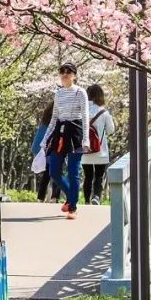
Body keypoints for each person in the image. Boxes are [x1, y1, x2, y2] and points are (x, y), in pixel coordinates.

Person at [44, 63, 90, 218]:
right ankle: (71, 197)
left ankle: (72, 207)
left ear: (74, 75)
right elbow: (54, 117)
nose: (65, 74)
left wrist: (86, 139)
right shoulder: (59, 93)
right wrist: (45, 138)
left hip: (76, 132)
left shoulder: (80, 92)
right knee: (54, 171)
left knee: (73, 172)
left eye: (68, 72)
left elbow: (85, 116)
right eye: (62, 71)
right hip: (60, 132)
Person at [82, 84, 115, 205]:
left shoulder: (81, 111)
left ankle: (86, 200)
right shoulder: (104, 112)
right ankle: (96, 196)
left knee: (88, 176)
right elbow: (111, 130)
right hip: (100, 150)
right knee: (99, 176)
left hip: (85, 150)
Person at [31, 103, 58, 204]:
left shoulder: (44, 122)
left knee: (46, 176)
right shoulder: (57, 122)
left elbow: (38, 139)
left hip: (45, 153)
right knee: (57, 174)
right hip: (54, 151)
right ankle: (54, 197)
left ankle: (40, 198)